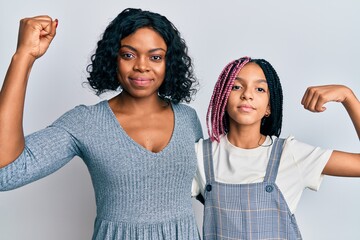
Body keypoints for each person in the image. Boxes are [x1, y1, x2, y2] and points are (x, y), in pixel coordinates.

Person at [0, 8, 203, 239]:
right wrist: (23, 57)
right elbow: (7, 173)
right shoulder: (86, 123)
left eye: (155, 57)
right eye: (128, 55)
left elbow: (217, 188)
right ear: (113, 58)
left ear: (169, 63)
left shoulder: (188, 119)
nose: (142, 66)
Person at [192, 56, 360, 239]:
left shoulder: (289, 154)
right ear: (222, 97)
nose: (247, 94)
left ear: (269, 108)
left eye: (259, 89)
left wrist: (347, 96)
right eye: (236, 86)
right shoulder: (200, 154)